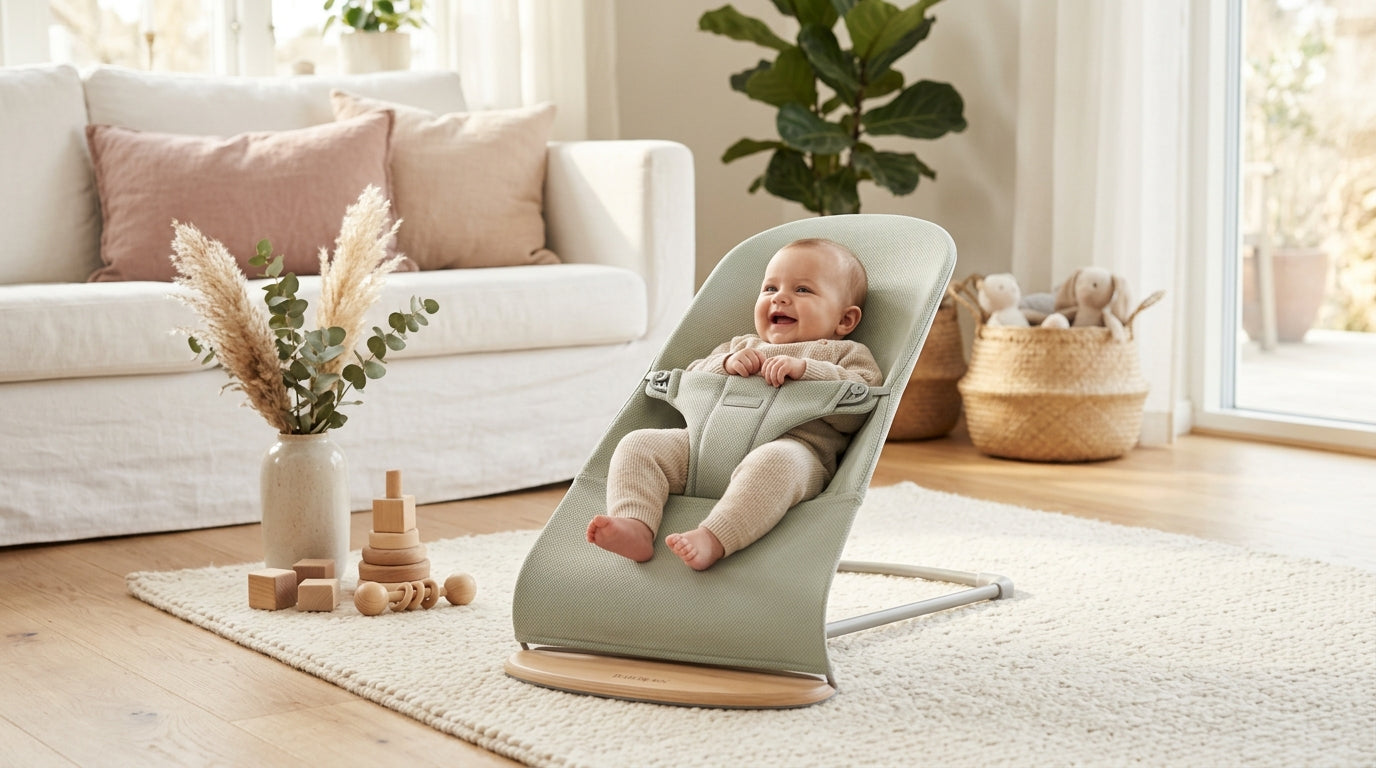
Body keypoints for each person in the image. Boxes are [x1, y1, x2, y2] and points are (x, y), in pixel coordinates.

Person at [586, 237, 883, 570]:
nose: (780, 297)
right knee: (639, 444)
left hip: (795, 450)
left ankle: (714, 538)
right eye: (770, 288)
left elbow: (861, 402)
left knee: (776, 463)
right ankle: (635, 524)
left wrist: (807, 371)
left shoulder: (844, 354)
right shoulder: (740, 345)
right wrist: (725, 364)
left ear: (845, 321)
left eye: (802, 290)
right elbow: (693, 378)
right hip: (701, 449)